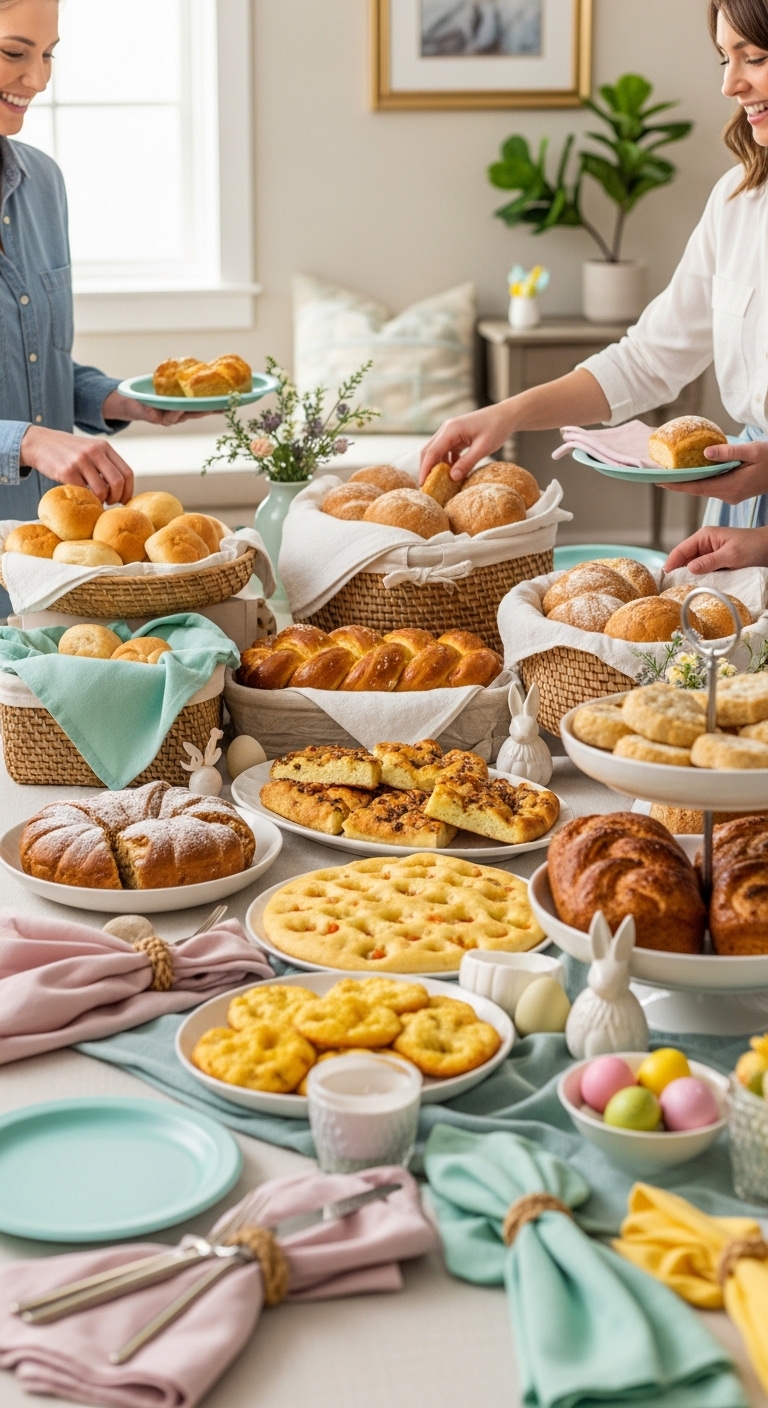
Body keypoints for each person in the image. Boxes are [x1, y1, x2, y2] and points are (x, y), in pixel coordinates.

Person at [419, 0, 768, 575]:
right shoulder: (735, 201)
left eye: (753, 57)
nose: (731, 83)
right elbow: (649, 360)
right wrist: (502, 415)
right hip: (745, 521)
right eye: (724, 58)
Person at [0, 0, 207, 603]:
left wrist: (120, 399)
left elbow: (31, 363)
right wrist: (32, 442)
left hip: (47, 561)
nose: (37, 80)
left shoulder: (43, 185)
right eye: (14, 53)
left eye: (48, 55)